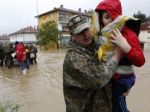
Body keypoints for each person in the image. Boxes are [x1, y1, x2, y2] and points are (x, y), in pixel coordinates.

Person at [63, 15, 131, 112]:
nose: (85, 34)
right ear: (72, 36)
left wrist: (123, 84)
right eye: (79, 32)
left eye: (86, 29)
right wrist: (117, 56)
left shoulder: (96, 45)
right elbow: (100, 79)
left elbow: (110, 67)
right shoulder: (73, 57)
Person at [95, 0, 145, 111]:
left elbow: (141, 61)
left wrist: (126, 47)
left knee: (119, 108)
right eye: (107, 17)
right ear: (100, 19)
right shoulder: (100, 34)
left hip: (121, 80)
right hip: (110, 79)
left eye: (114, 18)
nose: (110, 21)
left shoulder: (127, 34)